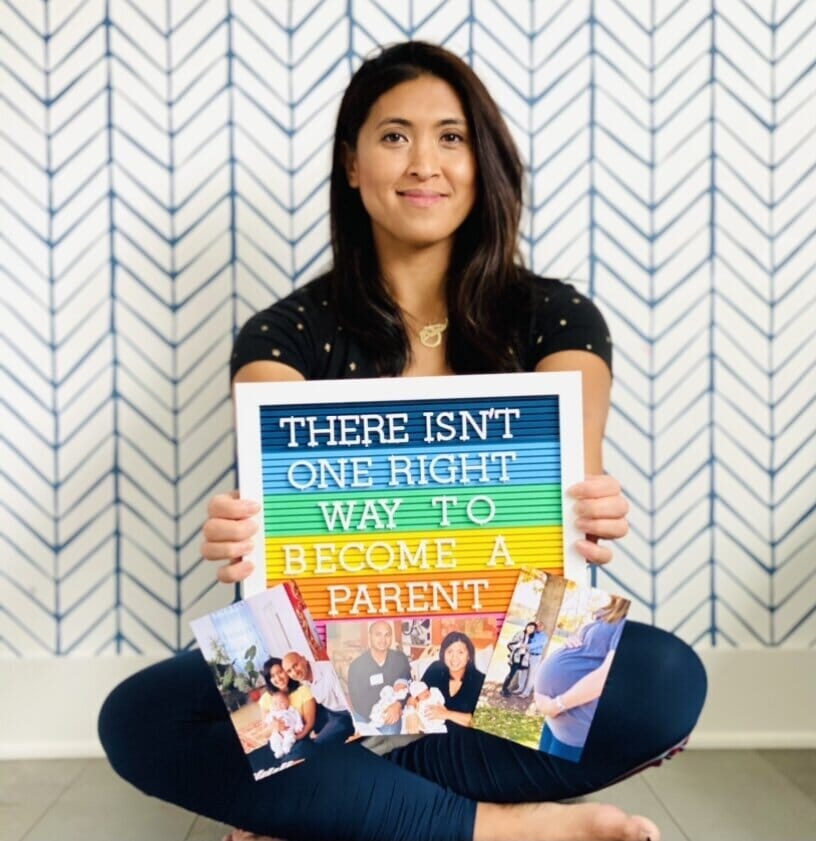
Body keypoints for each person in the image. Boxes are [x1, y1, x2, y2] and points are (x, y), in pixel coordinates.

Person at [99, 41, 707, 841]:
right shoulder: (284, 337)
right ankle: (505, 829)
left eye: (451, 137)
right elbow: (275, 533)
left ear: (481, 161)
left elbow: (575, 488)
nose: (425, 162)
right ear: (352, 165)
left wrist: (592, 506)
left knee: (664, 680)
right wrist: (244, 533)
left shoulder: (556, 319)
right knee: (143, 714)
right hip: (333, 658)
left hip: (503, 655)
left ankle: (315, 800)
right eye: (394, 136)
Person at [533, 596, 629, 762]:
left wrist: (556, 705)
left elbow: (608, 675)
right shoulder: (611, 611)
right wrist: (576, 638)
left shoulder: (628, 621)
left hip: (573, 724)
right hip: (556, 720)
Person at [347, 620, 413, 734]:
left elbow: (409, 686)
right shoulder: (357, 666)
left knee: (389, 732)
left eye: (387, 635)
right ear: (370, 636)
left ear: (391, 637)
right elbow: (357, 701)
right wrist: (376, 716)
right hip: (366, 713)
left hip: (392, 710)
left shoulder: (400, 659)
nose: (383, 639)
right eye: (378, 634)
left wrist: (398, 705)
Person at [280, 651, 354, 744]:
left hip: (346, 715)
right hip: (330, 711)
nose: (294, 672)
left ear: (304, 659)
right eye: (289, 671)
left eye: (295, 665)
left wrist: (360, 727)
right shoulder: (305, 678)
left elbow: (349, 701)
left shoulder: (329, 671)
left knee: (319, 743)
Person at [420, 631, 485, 728]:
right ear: (443, 654)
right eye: (450, 651)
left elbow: (480, 722)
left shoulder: (480, 680)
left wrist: (446, 714)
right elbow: (414, 694)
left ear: (469, 656)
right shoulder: (435, 669)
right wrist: (410, 713)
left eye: (460, 652)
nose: (454, 658)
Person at [264, 690, 304, 760]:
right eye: (275, 703)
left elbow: (298, 719)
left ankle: (287, 746)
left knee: (290, 737)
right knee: (274, 739)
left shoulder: (292, 711)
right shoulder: (273, 713)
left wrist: (298, 726)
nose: (279, 705)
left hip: (289, 729)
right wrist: (271, 723)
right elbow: (268, 722)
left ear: (288, 701)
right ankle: (278, 749)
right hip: (277, 732)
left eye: (282, 702)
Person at [501, 622, 536, 696]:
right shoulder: (520, 633)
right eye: (530, 627)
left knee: (513, 673)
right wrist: (519, 646)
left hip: (522, 658)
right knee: (511, 673)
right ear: (526, 626)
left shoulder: (530, 637)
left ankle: (505, 688)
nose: (530, 629)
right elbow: (510, 644)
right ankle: (503, 689)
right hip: (516, 656)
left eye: (533, 628)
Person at [518, 620, 550, 698]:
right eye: (536, 625)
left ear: (543, 627)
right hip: (527, 655)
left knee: (532, 675)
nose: (537, 627)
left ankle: (526, 693)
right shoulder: (532, 634)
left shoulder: (544, 637)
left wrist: (526, 646)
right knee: (523, 671)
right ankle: (520, 688)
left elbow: (537, 644)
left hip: (535, 657)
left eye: (540, 626)